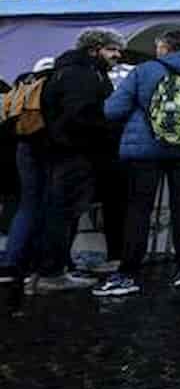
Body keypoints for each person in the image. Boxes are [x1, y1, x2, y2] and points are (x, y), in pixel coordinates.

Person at [93, 30, 180, 297]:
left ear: (165, 48)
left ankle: (128, 273)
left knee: (139, 210)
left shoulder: (145, 71)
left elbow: (112, 110)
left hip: (146, 150)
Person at [33, 30, 125, 293]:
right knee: (63, 213)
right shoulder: (82, 74)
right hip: (75, 153)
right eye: (112, 49)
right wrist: (106, 129)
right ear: (94, 49)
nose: (117, 55)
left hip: (67, 152)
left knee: (62, 212)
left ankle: (52, 270)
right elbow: (81, 116)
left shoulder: (72, 70)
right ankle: (51, 273)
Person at [0, 58, 57, 287]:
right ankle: (42, 261)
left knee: (26, 206)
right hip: (48, 147)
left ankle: (12, 262)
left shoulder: (21, 83)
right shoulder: (57, 82)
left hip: (23, 147)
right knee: (50, 205)